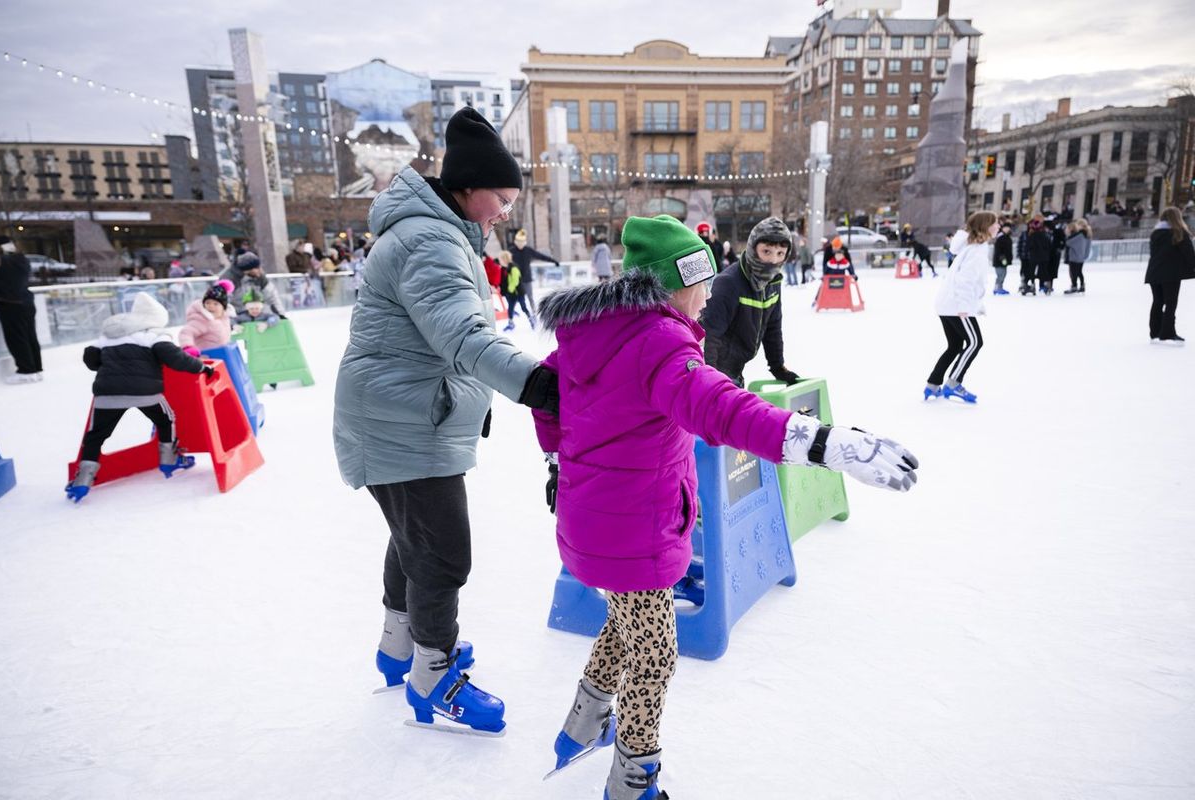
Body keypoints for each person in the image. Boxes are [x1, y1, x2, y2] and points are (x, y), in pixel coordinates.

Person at [531, 213, 919, 800]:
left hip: (594, 523)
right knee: (656, 656)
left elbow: (547, 397)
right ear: (672, 283)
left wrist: (557, 462)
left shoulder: (592, 332)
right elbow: (724, 409)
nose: (710, 294)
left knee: (628, 620)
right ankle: (633, 779)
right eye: (701, 282)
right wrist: (824, 443)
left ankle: (582, 725)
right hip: (635, 530)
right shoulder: (658, 341)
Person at [332, 107, 560, 737]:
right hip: (400, 416)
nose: (506, 210)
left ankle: (397, 646)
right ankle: (433, 676)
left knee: (414, 539)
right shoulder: (431, 241)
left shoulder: (435, 233)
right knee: (441, 554)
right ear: (467, 187)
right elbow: (461, 333)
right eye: (503, 196)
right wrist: (542, 385)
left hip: (397, 410)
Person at [65, 292, 214, 502]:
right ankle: (169, 460)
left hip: (107, 394)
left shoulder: (110, 334)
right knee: (166, 419)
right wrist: (199, 367)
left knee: (95, 435)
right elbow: (176, 358)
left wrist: (110, 364)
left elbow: (90, 358)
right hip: (145, 393)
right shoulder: (154, 334)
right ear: (156, 319)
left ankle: (82, 481)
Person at [702, 217, 802, 388]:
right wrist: (709, 380)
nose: (773, 261)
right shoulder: (729, 283)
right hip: (716, 371)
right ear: (752, 249)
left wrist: (778, 366)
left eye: (780, 254)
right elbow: (709, 334)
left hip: (736, 369)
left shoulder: (772, 283)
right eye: (766, 251)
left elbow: (773, 327)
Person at [924, 211, 997, 404]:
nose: (998, 226)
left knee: (955, 345)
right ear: (986, 226)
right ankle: (953, 383)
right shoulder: (977, 250)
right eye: (995, 223)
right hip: (957, 305)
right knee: (974, 343)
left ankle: (933, 384)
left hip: (947, 303)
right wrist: (966, 307)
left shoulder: (970, 247)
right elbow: (965, 281)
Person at [0, 235, 44, 383]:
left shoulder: (0, 262)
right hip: (27, 302)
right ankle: (35, 368)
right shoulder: (21, 259)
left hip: (11, 304)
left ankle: (26, 370)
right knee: (30, 337)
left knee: (17, 338)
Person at [1144, 206, 1195, 344]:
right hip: (1171, 274)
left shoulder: (1156, 233)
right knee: (1171, 303)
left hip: (1154, 273)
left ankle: (1155, 331)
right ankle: (1167, 333)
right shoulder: (1179, 233)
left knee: (1158, 301)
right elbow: (1189, 254)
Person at [509, 228, 558, 319]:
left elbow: (541, 256)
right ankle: (511, 315)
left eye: (522, 241)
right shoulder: (511, 251)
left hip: (527, 279)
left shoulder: (528, 250)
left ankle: (534, 314)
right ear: (515, 241)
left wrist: (553, 260)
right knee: (514, 298)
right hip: (516, 281)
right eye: (518, 241)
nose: (520, 244)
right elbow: (504, 259)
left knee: (530, 298)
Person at [222, 252, 285, 319]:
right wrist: (230, 321)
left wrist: (281, 315)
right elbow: (222, 303)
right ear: (248, 269)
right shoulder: (229, 279)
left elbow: (272, 297)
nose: (260, 270)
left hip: (257, 314)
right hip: (237, 317)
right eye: (257, 267)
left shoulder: (260, 277)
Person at [178, 280, 234, 354]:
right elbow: (186, 333)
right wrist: (188, 347)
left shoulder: (224, 319)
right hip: (205, 357)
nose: (211, 306)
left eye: (215, 304)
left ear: (223, 307)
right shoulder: (202, 319)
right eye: (208, 303)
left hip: (221, 355)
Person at [499, 250, 531, 331]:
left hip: (518, 292)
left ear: (505, 259)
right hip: (512, 294)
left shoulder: (513, 267)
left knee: (523, 307)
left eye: (501, 259)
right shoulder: (505, 268)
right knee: (510, 309)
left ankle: (531, 319)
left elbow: (515, 280)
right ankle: (511, 323)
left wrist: (510, 289)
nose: (500, 261)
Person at [1023, 216, 1051, 296]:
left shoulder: (1032, 236)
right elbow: (1049, 246)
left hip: (1034, 256)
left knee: (1032, 271)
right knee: (1043, 271)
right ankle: (1045, 284)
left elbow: (1027, 247)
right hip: (1044, 257)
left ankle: (1032, 284)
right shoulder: (1045, 235)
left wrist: (1026, 253)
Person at [1063, 219, 1092, 294]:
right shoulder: (1087, 235)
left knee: (1073, 272)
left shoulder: (1079, 235)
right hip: (1081, 257)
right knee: (1079, 272)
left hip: (1074, 257)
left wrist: (1068, 236)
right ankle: (1082, 285)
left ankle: (1074, 286)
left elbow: (1068, 242)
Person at [992, 223, 1014, 295]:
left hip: (1005, 260)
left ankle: (1000, 287)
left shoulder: (1007, 237)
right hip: (999, 260)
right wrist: (1002, 259)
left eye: (1008, 228)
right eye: (1006, 228)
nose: (1007, 229)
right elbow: (999, 250)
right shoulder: (1000, 237)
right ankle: (997, 288)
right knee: (1000, 275)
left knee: (1003, 274)